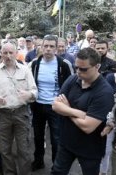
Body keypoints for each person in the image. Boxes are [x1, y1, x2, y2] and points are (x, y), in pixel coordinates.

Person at [51, 48, 114, 175]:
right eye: (76, 68)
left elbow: (88, 127)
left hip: (90, 149)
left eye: (83, 69)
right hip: (66, 142)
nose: (78, 72)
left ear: (97, 66)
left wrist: (67, 109)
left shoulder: (104, 92)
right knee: (57, 172)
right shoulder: (73, 79)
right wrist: (80, 113)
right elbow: (55, 106)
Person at [0, 42, 38, 175]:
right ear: (1, 54)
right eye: (5, 53)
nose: (8, 56)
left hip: (21, 113)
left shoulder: (25, 70)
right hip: (2, 115)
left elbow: (35, 91)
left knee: (23, 149)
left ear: (16, 53)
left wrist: (29, 94)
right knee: (5, 150)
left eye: (11, 52)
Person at [30, 35, 72, 172]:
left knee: (56, 138)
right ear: (41, 47)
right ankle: (38, 161)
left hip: (56, 107)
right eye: (45, 46)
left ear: (56, 48)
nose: (48, 49)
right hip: (37, 105)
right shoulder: (35, 63)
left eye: (51, 46)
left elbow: (70, 85)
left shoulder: (64, 64)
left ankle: (56, 164)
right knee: (37, 135)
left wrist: (65, 104)